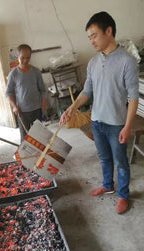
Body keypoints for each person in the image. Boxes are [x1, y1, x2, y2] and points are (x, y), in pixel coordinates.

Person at [60, 11, 139, 214]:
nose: (91, 41)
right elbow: (87, 92)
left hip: (116, 123)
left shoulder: (127, 61)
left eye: (94, 35)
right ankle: (107, 185)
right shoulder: (93, 63)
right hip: (97, 120)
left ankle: (123, 195)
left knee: (121, 162)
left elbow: (133, 98)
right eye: (89, 37)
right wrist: (72, 108)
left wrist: (128, 126)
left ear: (109, 31)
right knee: (104, 157)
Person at [6, 44, 47, 142]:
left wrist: (44, 107)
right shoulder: (13, 74)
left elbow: (43, 90)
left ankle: (41, 156)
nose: (25, 60)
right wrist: (14, 106)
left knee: (39, 137)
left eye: (28, 58)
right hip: (22, 112)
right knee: (25, 139)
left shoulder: (36, 72)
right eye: (22, 58)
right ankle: (28, 157)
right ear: (17, 56)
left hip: (37, 109)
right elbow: (8, 92)